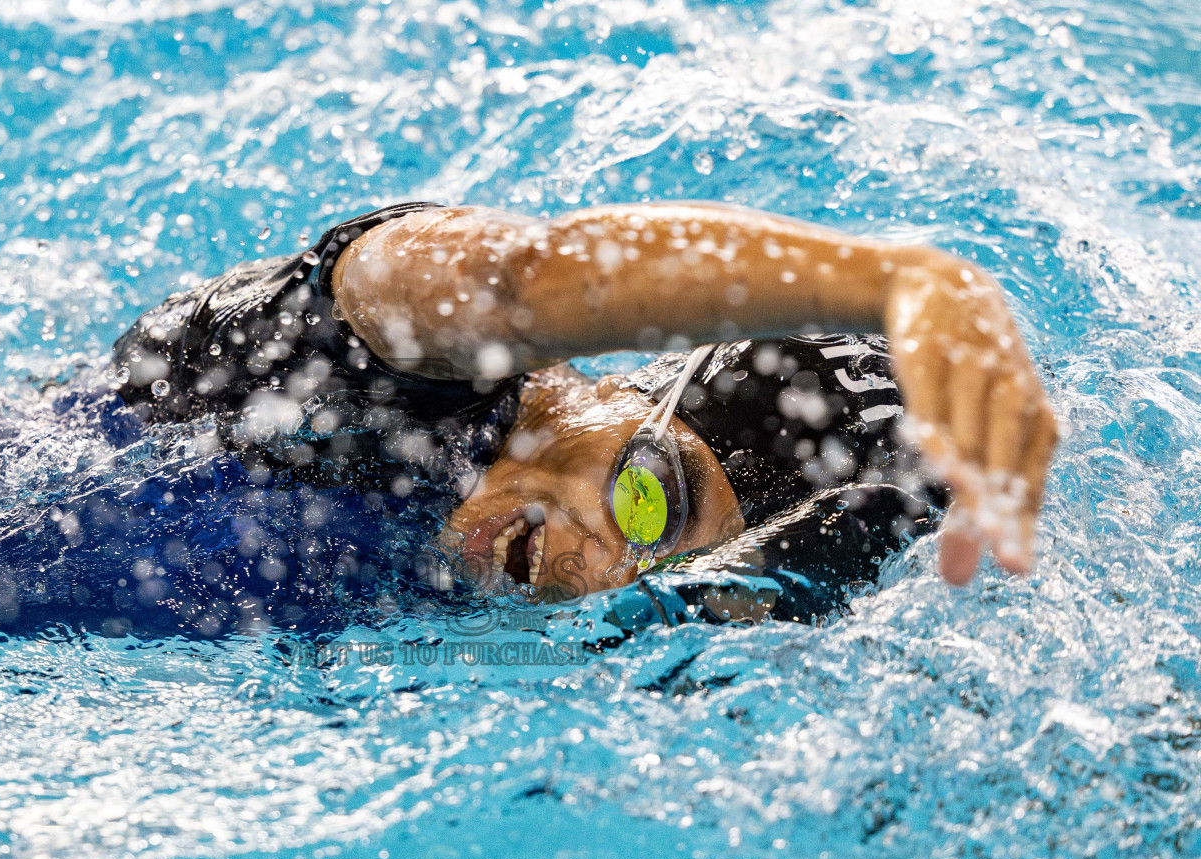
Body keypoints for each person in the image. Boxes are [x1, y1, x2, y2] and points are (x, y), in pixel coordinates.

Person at [107, 201, 1057, 625]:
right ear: (628, 388)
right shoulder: (394, 366)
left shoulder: (449, 600)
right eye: (651, 503)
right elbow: (525, 276)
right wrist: (902, 280)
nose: (607, 573)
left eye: (670, 574)